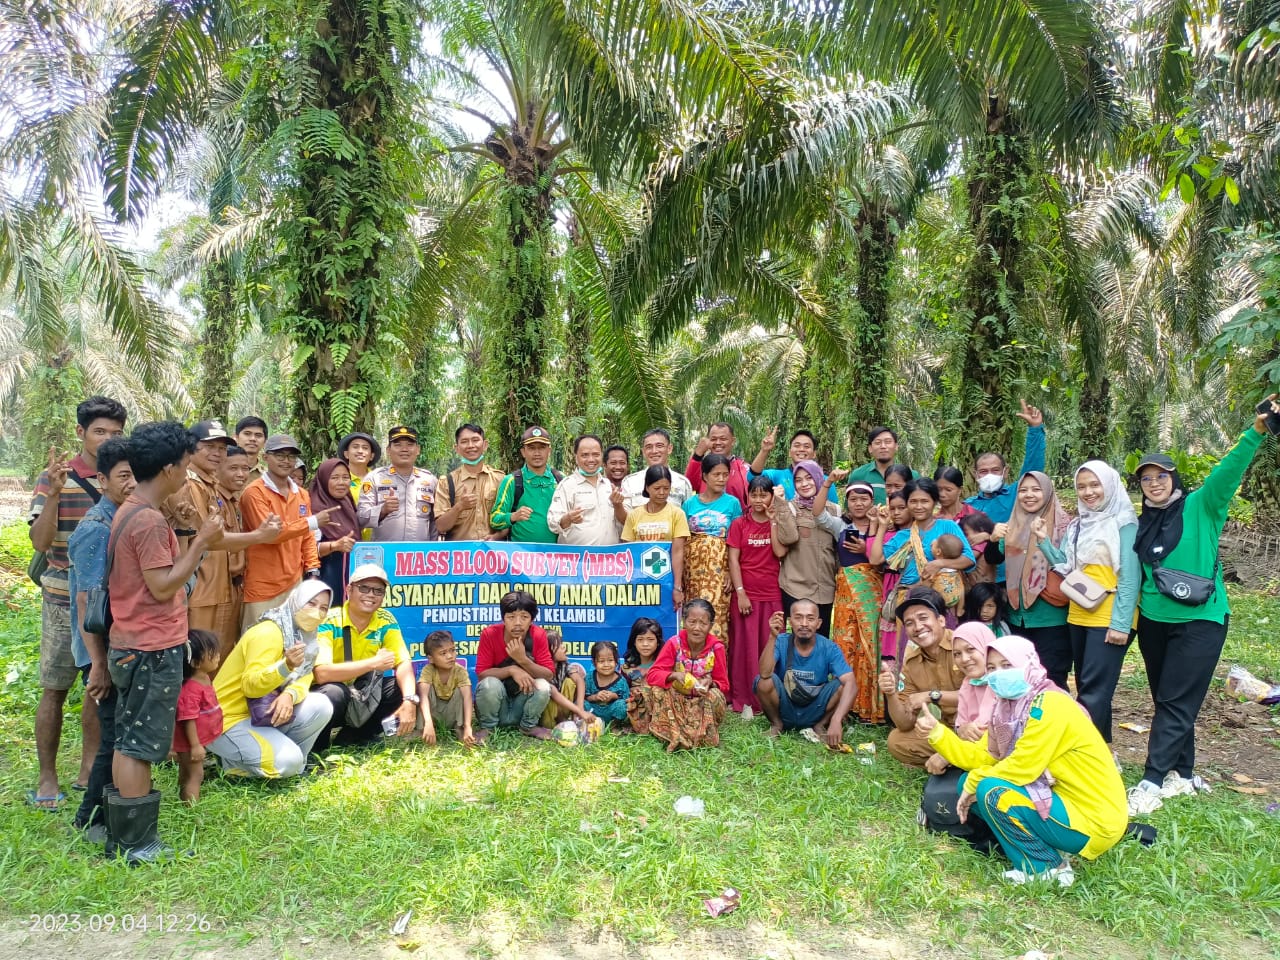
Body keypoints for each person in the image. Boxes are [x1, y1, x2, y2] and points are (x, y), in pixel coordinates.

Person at [1126, 397, 1277, 816]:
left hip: (1200, 620)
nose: (1154, 483)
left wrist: (1256, 431)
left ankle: (1152, 781)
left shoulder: (1202, 505)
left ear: (1174, 478)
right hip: (1154, 620)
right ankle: (1184, 773)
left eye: (1161, 476)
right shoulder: (1142, 522)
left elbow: (1229, 471)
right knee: (1169, 698)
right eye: (1146, 479)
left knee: (1176, 699)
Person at [916, 636, 1128, 887]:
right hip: (1061, 802)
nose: (997, 675)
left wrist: (975, 781)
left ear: (1028, 664)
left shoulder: (1051, 704)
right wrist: (937, 734)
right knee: (969, 783)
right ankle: (1044, 849)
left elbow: (1022, 767)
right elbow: (983, 757)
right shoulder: (1006, 709)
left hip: (1093, 817)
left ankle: (1047, 868)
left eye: (1007, 666)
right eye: (992, 668)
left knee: (991, 791)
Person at [105, 421, 223, 864]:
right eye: (186, 465)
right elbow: (162, 585)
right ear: (171, 469)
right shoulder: (150, 521)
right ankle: (137, 844)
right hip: (150, 647)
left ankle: (125, 836)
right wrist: (201, 545)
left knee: (127, 739)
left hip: (131, 642)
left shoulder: (129, 510)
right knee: (138, 744)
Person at [27, 395, 126, 811]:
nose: (106, 440)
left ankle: (88, 768)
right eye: (99, 431)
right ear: (80, 432)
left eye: (115, 433)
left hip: (105, 600)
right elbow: (39, 542)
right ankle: (47, 775)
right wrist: (52, 493)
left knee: (96, 688)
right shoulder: (56, 477)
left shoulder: (125, 476)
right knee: (55, 687)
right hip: (60, 597)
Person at [1034, 461, 1139, 745]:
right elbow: (1067, 568)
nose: (1088, 492)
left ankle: (1083, 754)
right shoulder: (1079, 524)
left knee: (1094, 690)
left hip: (1109, 615)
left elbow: (1130, 575)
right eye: (1082, 486)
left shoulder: (1125, 523)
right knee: (1087, 684)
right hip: (1079, 612)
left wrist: (1120, 623)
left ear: (1110, 485)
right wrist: (1044, 541)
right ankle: (1103, 750)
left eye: (1095, 485)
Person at [166, 421, 284, 658]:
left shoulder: (211, 486)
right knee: (199, 660)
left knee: (219, 658)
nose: (217, 453)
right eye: (209, 446)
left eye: (221, 448)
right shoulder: (189, 486)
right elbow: (208, 539)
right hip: (201, 590)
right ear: (190, 448)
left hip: (223, 589)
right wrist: (259, 535)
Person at [68, 438, 133, 840]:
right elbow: (86, 603)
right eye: (123, 476)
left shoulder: (124, 518)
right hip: (99, 649)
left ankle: (97, 812)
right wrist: (97, 663)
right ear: (101, 479)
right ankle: (90, 817)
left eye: (136, 475)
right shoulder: (97, 527)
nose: (131, 483)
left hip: (114, 646)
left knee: (118, 732)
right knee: (111, 735)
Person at [209, 580, 336, 777]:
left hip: (258, 714)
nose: (316, 612)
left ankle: (288, 766)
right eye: (310, 603)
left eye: (323, 608)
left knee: (321, 704)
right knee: (288, 761)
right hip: (227, 720)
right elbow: (251, 686)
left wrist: (289, 695)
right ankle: (232, 764)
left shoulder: (305, 636)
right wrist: (285, 667)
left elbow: (305, 676)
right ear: (296, 601)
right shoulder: (268, 632)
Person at [311, 565, 418, 750]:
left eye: (378, 590)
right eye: (364, 588)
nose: (371, 595)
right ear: (349, 589)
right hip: (331, 692)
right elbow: (321, 674)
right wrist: (373, 663)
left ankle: (354, 737)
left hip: (361, 692)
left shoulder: (386, 620)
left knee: (398, 688)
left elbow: (403, 663)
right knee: (334, 692)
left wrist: (410, 700)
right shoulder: (329, 620)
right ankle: (317, 748)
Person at [240, 433, 336, 630]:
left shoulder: (301, 494)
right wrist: (311, 522)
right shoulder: (254, 492)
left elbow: (307, 537)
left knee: (292, 643)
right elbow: (271, 535)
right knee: (258, 642)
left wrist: (313, 568)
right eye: (280, 455)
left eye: (291, 456)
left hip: (294, 583)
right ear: (265, 457)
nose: (286, 461)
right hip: (262, 584)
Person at [986, 472, 1071, 682]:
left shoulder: (1064, 526)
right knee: (1020, 677)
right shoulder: (1012, 525)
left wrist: (1044, 540)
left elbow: (1068, 565)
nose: (1028, 495)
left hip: (1051, 617)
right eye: (1023, 490)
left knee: (1052, 678)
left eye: (1036, 489)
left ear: (1048, 492)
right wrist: (993, 539)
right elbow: (993, 557)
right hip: (1017, 616)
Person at [820, 480, 886, 723]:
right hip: (846, 591)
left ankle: (869, 707)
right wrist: (828, 483)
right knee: (846, 644)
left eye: (864, 499)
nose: (859, 504)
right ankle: (846, 705)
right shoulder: (841, 525)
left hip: (871, 591)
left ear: (872, 501)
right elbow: (818, 514)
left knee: (869, 645)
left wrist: (867, 543)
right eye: (854, 499)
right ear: (847, 502)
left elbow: (881, 560)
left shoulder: (880, 524)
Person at [878, 587, 966, 770]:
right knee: (896, 741)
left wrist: (930, 695)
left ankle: (953, 757)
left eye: (923, 618)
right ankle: (956, 756)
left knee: (976, 730)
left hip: (976, 724)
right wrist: (890, 693)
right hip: (947, 730)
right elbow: (904, 723)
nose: (918, 627)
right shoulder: (912, 662)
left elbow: (983, 694)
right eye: (909, 623)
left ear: (941, 620)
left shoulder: (963, 645)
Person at [868, 479, 975, 629]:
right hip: (910, 599)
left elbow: (969, 559)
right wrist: (882, 526)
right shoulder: (903, 536)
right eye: (913, 501)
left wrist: (939, 563)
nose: (919, 506)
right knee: (911, 647)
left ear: (935, 502)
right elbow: (875, 559)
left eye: (924, 501)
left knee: (943, 646)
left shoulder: (947, 526)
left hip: (941, 598)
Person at [628, 599, 730, 751]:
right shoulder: (674, 643)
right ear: (684, 622)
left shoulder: (717, 648)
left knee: (714, 695)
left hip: (702, 701)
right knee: (653, 691)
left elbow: (724, 684)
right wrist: (674, 675)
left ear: (711, 625)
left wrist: (711, 683)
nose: (697, 628)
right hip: (677, 699)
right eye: (692, 621)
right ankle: (673, 732)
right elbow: (653, 675)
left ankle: (701, 734)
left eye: (703, 623)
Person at [726, 475, 787, 714]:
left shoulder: (779, 521)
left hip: (772, 593)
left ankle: (770, 696)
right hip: (745, 594)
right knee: (744, 646)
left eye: (764, 494)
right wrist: (740, 593)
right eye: (754, 495)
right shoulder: (739, 524)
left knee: (770, 644)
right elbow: (733, 559)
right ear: (748, 497)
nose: (759, 499)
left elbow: (780, 553)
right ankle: (744, 696)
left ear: (772, 496)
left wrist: (773, 522)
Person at [755, 604, 856, 746]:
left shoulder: (829, 647)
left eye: (810, 618)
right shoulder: (781, 641)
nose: (804, 623)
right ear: (790, 622)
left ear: (819, 623)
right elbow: (764, 673)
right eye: (798, 618)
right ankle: (777, 724)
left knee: (843, 685)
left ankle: (820, 725)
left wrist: (836, 719)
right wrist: (772, 636)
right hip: (786, 706)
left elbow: (851, 683)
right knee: (763, 681)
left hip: (816, 707)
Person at [473, 590, 555, 741]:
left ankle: (528, 726)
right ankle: (488, 728)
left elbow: (548, 674)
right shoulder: (489, 634)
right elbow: (482, 674)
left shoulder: (538, 635)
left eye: (524, 617)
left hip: (522, 702)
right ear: (503, 618)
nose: (517, 622)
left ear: (531, 620)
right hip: (498, 704)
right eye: (511, 617)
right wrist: (512, 669)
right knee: (489, 684)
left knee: (543, 685)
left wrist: (523, 660)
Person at [773, 461, 839, 637]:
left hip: (825, 589)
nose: (804, 484)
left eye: (809, 478)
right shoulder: (789, 507)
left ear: (818, 478)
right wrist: (780, 504)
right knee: (795, 641)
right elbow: (788, 538)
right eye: (799, 480)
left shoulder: (835, 511)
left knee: (821, 640)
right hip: (796, 588)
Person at [681, 453, 743, 640]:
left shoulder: (732, 503)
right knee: (693, 615)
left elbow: (736, 541)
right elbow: (683, 540)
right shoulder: (689, 504)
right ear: (705, 476)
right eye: (716, 474)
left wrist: (730, 572)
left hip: (719, 571)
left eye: (725, 474)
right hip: (693, 570)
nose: (722, 479)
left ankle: (716, 665)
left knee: (717, 617)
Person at [963, 399, 1046, 526]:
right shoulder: (968, 505)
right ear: (976, 475)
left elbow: (1033, 467)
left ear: (1005, 472)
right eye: (983, 471)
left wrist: (1035, 429)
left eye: (995, 470)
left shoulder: (1016, 494)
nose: (989, 475)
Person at [357, 425, 440, 542]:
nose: (404, 449)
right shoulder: (374, 478)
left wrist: (432, 549)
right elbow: (360, 518)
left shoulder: (430, 480)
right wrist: (382, 510)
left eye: (410, 445)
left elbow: (435, 522)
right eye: (398, 445)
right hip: (386, 554)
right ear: (388, 450)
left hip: (420, 554)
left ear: (418, 450)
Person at [621, 465, 690, 604]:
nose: (662, 493)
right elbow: (627, 550)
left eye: (666, 488)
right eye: (657, 488)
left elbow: (678, 551)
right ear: (647, 488)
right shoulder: (634, 515)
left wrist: (677, 586)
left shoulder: (677, 514)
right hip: (639, 580)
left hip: (667, 578)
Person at [173, 630, 223, 804]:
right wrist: (195, 746)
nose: (218, 655)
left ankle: (182, 796)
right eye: (212, 654)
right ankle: (191, 810)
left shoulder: (205, 677)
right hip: (189, 742)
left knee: (186, 770)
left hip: (196, 740)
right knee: (196, 774)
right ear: (195, 662)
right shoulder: (191, 690)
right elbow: (188, 718)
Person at [490, 426, 562, 543]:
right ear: (523, 452)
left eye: (542, 448)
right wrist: (513, 516)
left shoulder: (560, 479)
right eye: (531, 448)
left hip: (554, 556)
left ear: (549, 451)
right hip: (521, 556)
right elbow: (494, 519)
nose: (537, 453)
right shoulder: (512, 481)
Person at [435, 423, 506, 541]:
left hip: (493, 553)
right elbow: (441, 526)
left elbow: (507, 519)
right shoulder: (446, 482)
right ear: (456, 448)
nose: (471, 445)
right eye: (464, 442)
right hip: (459, 555)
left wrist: (497, 536)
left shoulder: (500, 479)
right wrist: (459, 506)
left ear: (485, 445)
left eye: (475, 440)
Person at [546, 435, 621, 545]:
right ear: (576, 457)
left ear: (601, 456)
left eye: (596, 454)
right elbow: (552, 522)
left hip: (608, 559)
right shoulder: (567, 486)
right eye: (585, 455)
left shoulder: (609, 486)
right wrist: (567, 518)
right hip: (578, 560)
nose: (591, 459)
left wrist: (619, 505)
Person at [309, 458, 359, 601]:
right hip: (325, 574)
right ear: (324, 479)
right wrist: (335, 546)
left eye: (345, 477)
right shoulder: (314, 507)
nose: (341, 483)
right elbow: (308, 548)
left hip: (348, 572)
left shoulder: (347, 503)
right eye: (335, 478)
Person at [416, 631, 476, 747]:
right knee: (425, 691)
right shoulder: (428, 670)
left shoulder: (460, 670)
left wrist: (468, 726)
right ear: (431, 658)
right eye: (443, 653)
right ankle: (423, 730)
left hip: (452, 714)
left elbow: (468, 697)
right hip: (434, 714)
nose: (450, 656)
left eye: (452, 650)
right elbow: (423, 697)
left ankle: (459, 728)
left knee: (461, 692)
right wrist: (428, 723)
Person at [747, 427, 838, 503]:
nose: (801, 449)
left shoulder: (826, 481)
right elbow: (752, 478)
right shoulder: (777, 476)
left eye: (806, 446)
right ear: (790, 452)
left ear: (814, 453)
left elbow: (834, 514)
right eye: (797, 445)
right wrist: (764, 450)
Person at [620, 428, 694, 510]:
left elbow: (688, 517)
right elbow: (626, 519)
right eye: (649, 447)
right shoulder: (630, 483)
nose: (654, 451)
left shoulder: (682, 483)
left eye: (659, 446)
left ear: (669, 448)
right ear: (643, 451)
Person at [686, 422, 750, 508]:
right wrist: (698, 454)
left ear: (733, 441)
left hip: (736, 519)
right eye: (713, 439)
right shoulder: (702, 466)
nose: (718, 442)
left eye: (723, 439)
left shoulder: (743, 468)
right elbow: (689, 485)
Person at [951, 621, 997, 741]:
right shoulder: (968, 684)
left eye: (970, 649)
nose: (964, 659)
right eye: (957, 654)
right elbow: (961, 725)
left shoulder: (1004, 681)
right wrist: (963, 729)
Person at [847, 426, 910, 505]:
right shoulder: (858, 475)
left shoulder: (911, 475)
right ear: (870, 448)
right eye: (878, 443)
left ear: (896, 446)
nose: (883, 446)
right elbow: (850, 508)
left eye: (888, 442)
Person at [540, 629, 590, 728]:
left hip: (564, 710)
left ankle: (567, 719)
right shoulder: (541, 669)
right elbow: (554, 694)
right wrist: (579, 711)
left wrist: (580, 707)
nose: (563, 647)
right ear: (548, 651)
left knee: (569, 682)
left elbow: (579, 681)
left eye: (562, 643)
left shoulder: (564, 665)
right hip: (548, 715)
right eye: (559, 645)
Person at [584, 641, 631, 727]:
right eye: (601, 661)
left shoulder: (621, 681)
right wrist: (595, 697)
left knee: (621, 706)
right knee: (582, 704)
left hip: (611, 713)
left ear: (616, 661)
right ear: (594, 663)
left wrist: (614, 696)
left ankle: (613, 726)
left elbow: (627, 700)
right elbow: (585, 697)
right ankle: (590, 725)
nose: (606, 665)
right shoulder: (589, 677)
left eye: (610, 660)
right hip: (593, 711)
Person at [336, 431, 381, 502]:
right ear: (346, 454)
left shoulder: (379, 480)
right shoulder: (336, 478)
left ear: (371, 456)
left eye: (365, 448)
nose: (360, 451)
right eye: (355, 447)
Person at [622, 618, 664, 686]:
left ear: (658, 642)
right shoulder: (626, 668)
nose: (645, 644)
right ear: (634, 642)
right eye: (640, 639)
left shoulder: (665, 665)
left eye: (650, 639)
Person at [234, 416, 268, 480]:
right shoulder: (221, 470)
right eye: (247, 434)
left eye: (258, 435)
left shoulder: (267, 477)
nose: (253, 439)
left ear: (265, 442)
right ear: (236, 438)